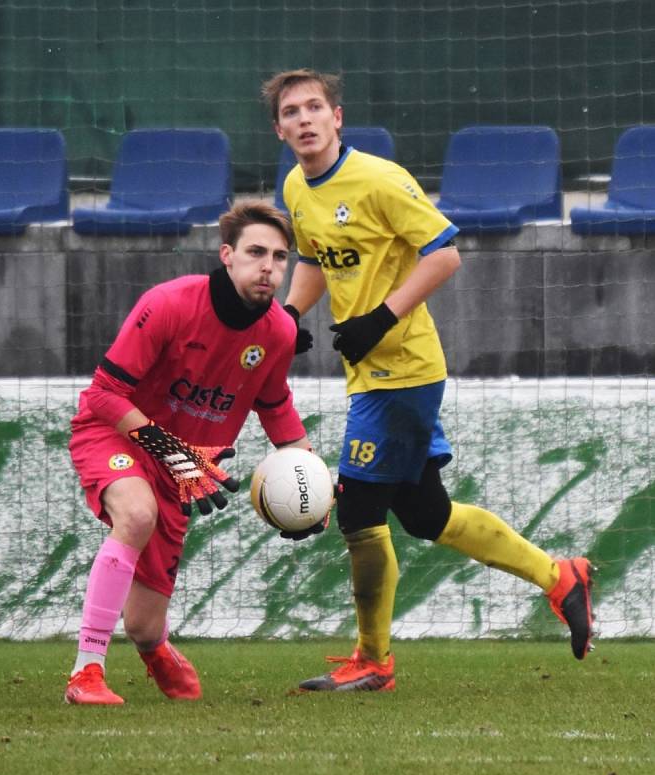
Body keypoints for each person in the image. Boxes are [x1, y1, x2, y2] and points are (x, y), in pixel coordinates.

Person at [261, 68, 594, 692]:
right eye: (290, 112)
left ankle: (373, 660)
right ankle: (562, 577)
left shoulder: (380, 179)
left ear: (337, 118)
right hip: (367, 372)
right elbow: (313, 258)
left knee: (358, 507)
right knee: (426, 514)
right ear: (278, 128)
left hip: (404, 369)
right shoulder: (296, 189)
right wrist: (288, 316)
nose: (303, 120)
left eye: (314, 108)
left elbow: (445, 253)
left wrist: (380, 317)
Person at [65, 200, 312, 705]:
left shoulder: (280, 332)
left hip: (184, 469)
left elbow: (276, 406)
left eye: (281, 257)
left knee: (142, 625)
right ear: (227, 255)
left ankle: (157, 650)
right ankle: (86, 673)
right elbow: (103, 394)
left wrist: (316, 485)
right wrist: (168, 448)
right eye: (256, 252)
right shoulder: (171, 303)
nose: (269, 266)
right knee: (135, 514)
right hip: (113, 432)